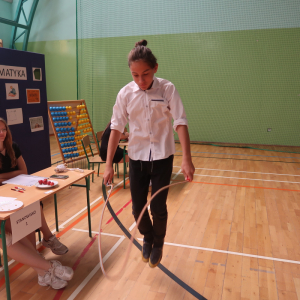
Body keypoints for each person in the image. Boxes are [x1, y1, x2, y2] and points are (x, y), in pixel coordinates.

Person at [103, 40, 195, 268]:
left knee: (158, 207)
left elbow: (180, 121)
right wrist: (107, 165)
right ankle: (148, 236)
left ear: (155, 68)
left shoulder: (167, 89)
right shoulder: (125, 94)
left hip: (163, 157)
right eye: (135, 75)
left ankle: (159, 242)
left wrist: (187, 159)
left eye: (145, 74)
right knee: (137, 208)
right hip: (136, 159)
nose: (141, 80)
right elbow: (115, 128)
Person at [0, 118, 73, 289]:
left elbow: (23, 171)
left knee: (31, 208)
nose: (1, 133)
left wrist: (3, 177)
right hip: (4, 200)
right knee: (12, 225)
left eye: (3, 129)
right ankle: (45, 269)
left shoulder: (12, 147)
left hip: (14, 191)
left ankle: (43, 271)